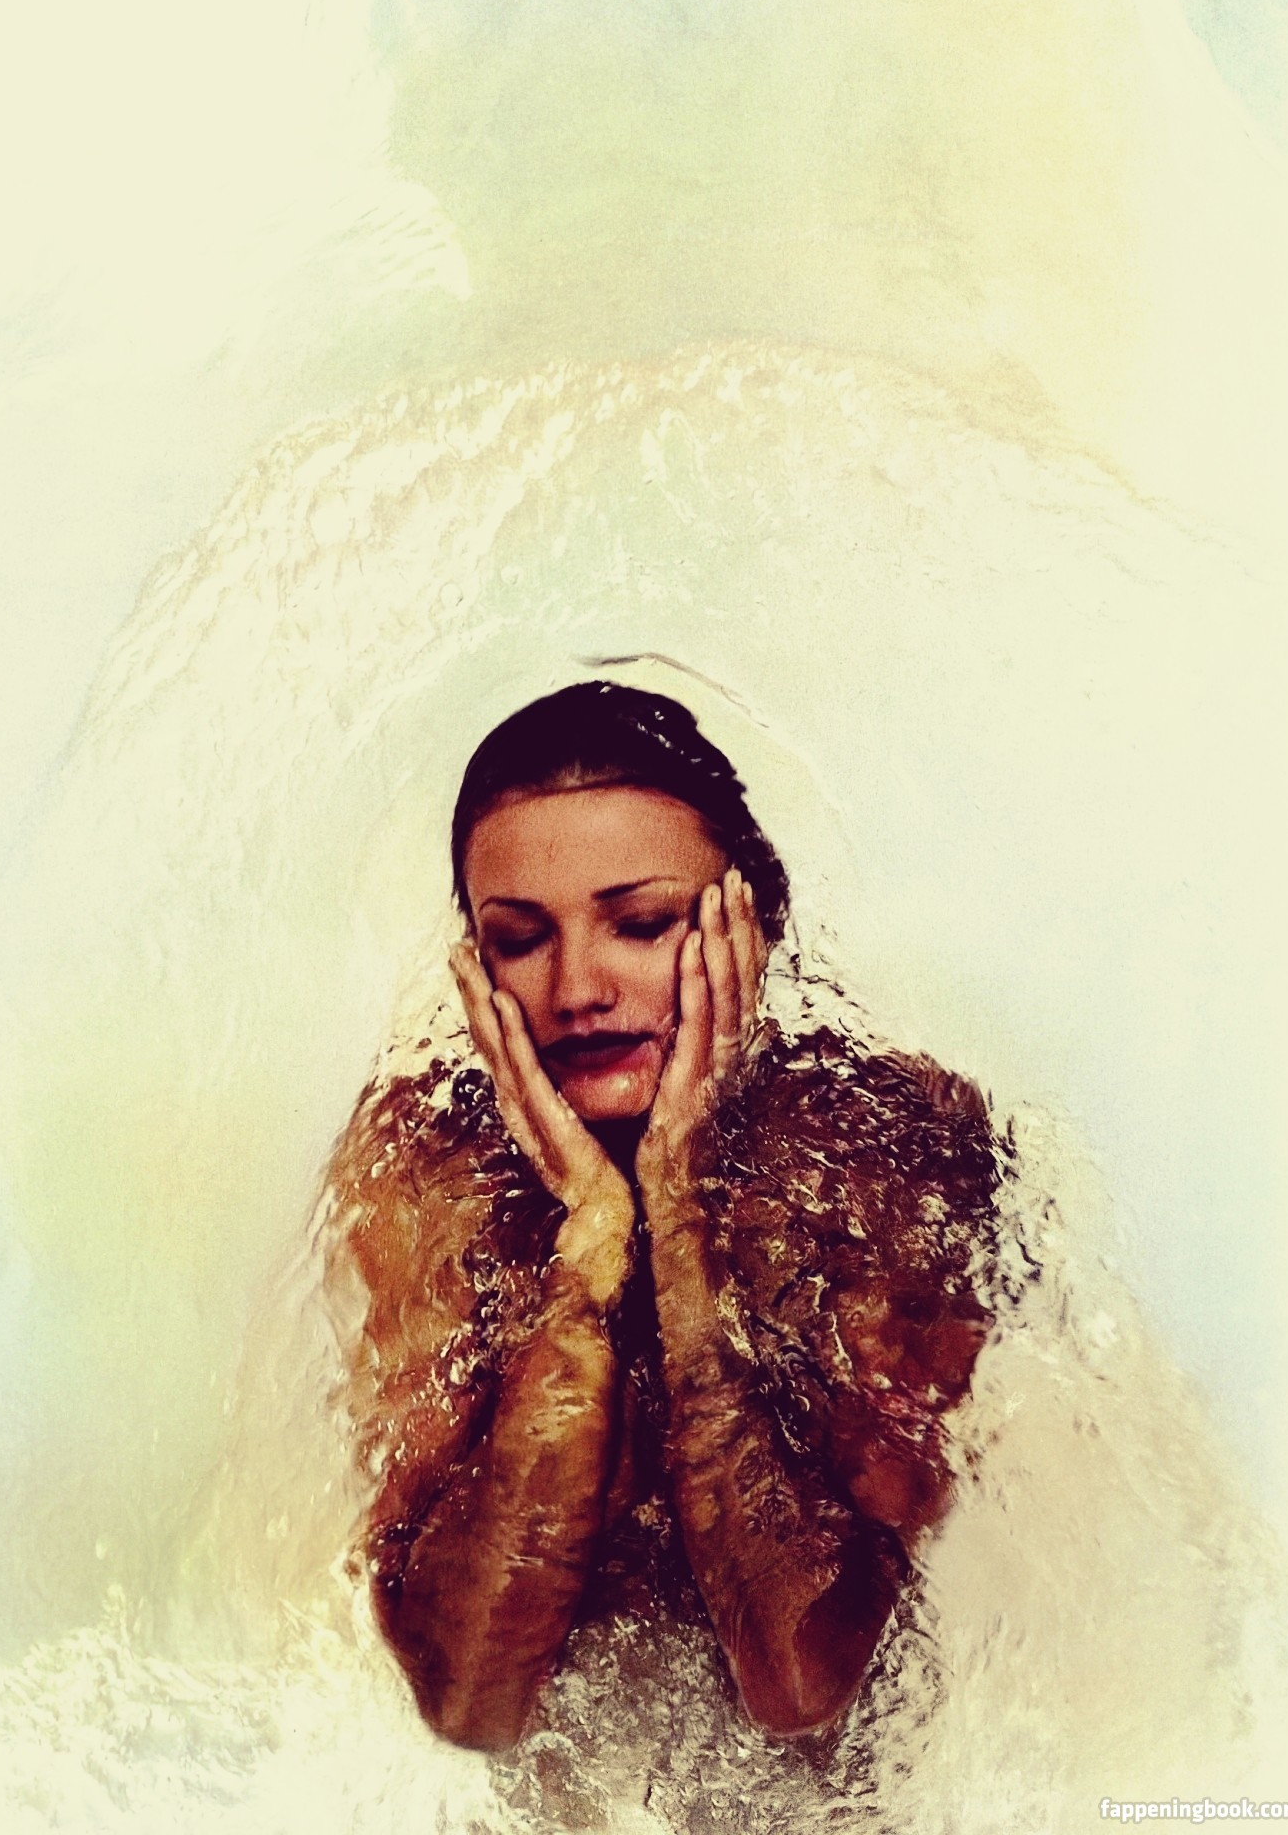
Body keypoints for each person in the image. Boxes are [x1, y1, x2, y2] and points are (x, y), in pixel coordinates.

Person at [324, 682, 1000, 1753]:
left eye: (640, 925)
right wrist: (591, 1243)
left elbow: (798, 1677)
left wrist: (678, 1210)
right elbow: (468, 1700)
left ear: (751, 924)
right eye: (518, 939)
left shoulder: (878, 1142)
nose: (575, 988)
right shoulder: (429, 1159)